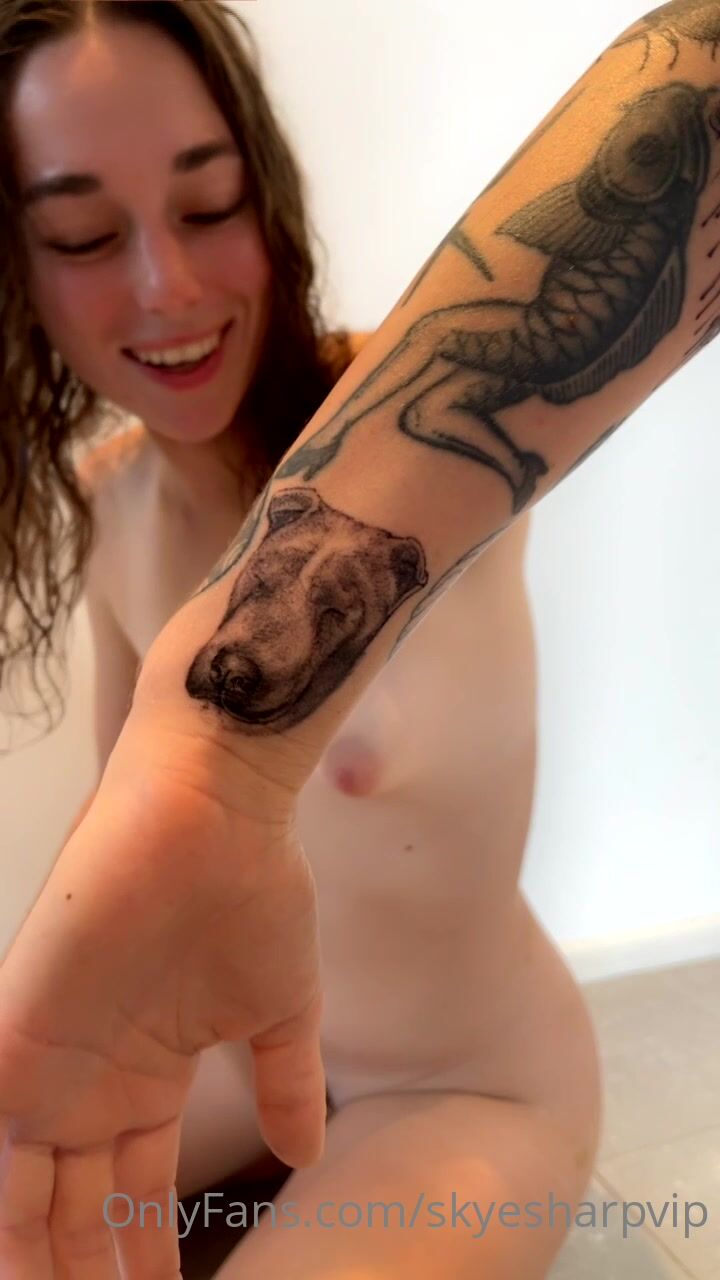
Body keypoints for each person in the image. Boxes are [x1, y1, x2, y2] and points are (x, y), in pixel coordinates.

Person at [0, 0, 715, 1276]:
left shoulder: (423, 428)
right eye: (84, 235)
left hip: (463, 1081)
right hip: (230, 1049)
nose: (165, 285)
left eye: (208, 206)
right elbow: (119, 833)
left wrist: (226, 748)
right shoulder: (107, 507)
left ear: (270, 203)